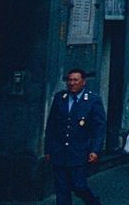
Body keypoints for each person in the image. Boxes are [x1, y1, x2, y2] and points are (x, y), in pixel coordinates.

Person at [43, 68, 106, 205]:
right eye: (69, 80)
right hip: (59, 151)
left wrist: (95, 150)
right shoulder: (60, 98)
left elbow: (99, 128)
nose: (72, 83)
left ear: (83, 82)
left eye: (75, 80)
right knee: (61, 189)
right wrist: (48, 149)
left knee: (79, 186)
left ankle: (93, 203)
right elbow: (51, 125)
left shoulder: (92, 100)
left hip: (80, 151)